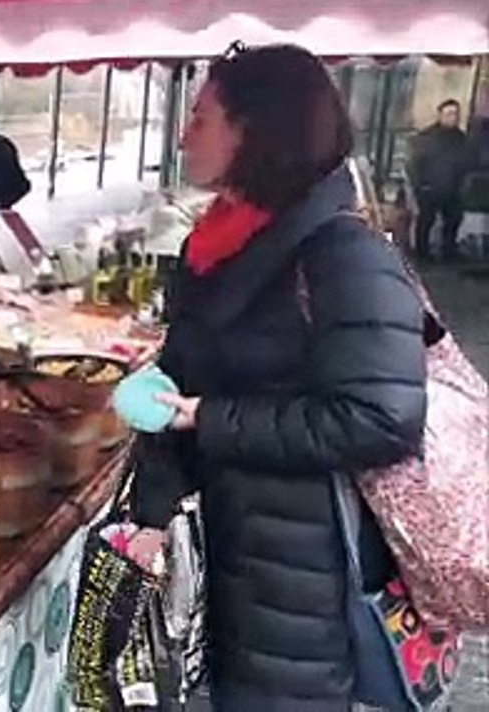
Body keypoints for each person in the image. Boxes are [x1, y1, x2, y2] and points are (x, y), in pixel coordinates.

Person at [128, 44, 427, 711]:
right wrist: (152, 511)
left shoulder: (344, 255)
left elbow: (381, 420)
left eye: (201, 119)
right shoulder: (216, 244)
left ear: (256, 131)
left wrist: (210, 418)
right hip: (229, 547)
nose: (183, 137)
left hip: (303, 577)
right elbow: (184, 375)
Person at [408, 99, 473, 260]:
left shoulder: (460, 138)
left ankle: (449, 250)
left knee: (454, 219)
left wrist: (463, 181)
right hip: (430, 187)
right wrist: (420, 185)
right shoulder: (427, 137)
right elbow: (414, 164)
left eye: (455, 114)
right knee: (426, 220)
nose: (453, 117)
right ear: (440, 115)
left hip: (453, 187)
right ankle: (422, 253)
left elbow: (467, 160)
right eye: (449, 113)